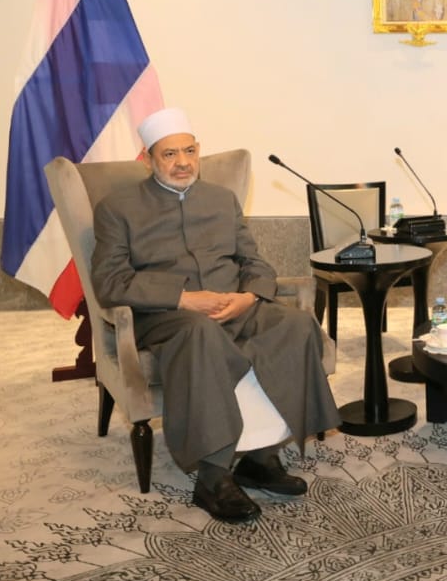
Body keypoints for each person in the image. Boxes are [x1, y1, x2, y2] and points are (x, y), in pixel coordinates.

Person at [91, 108, 341, 523]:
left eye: (189, 151)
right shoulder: (117, 208)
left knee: (296, 325)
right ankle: (212, 476)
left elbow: (254, 263)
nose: (182, 162)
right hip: (169, 316)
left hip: (234, 306)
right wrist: (183, 299)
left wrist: (248, 296)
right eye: (169, 154)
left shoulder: (221, 200)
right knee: (201, 334)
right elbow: (110, 282)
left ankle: (261, 457)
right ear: (148, 160)